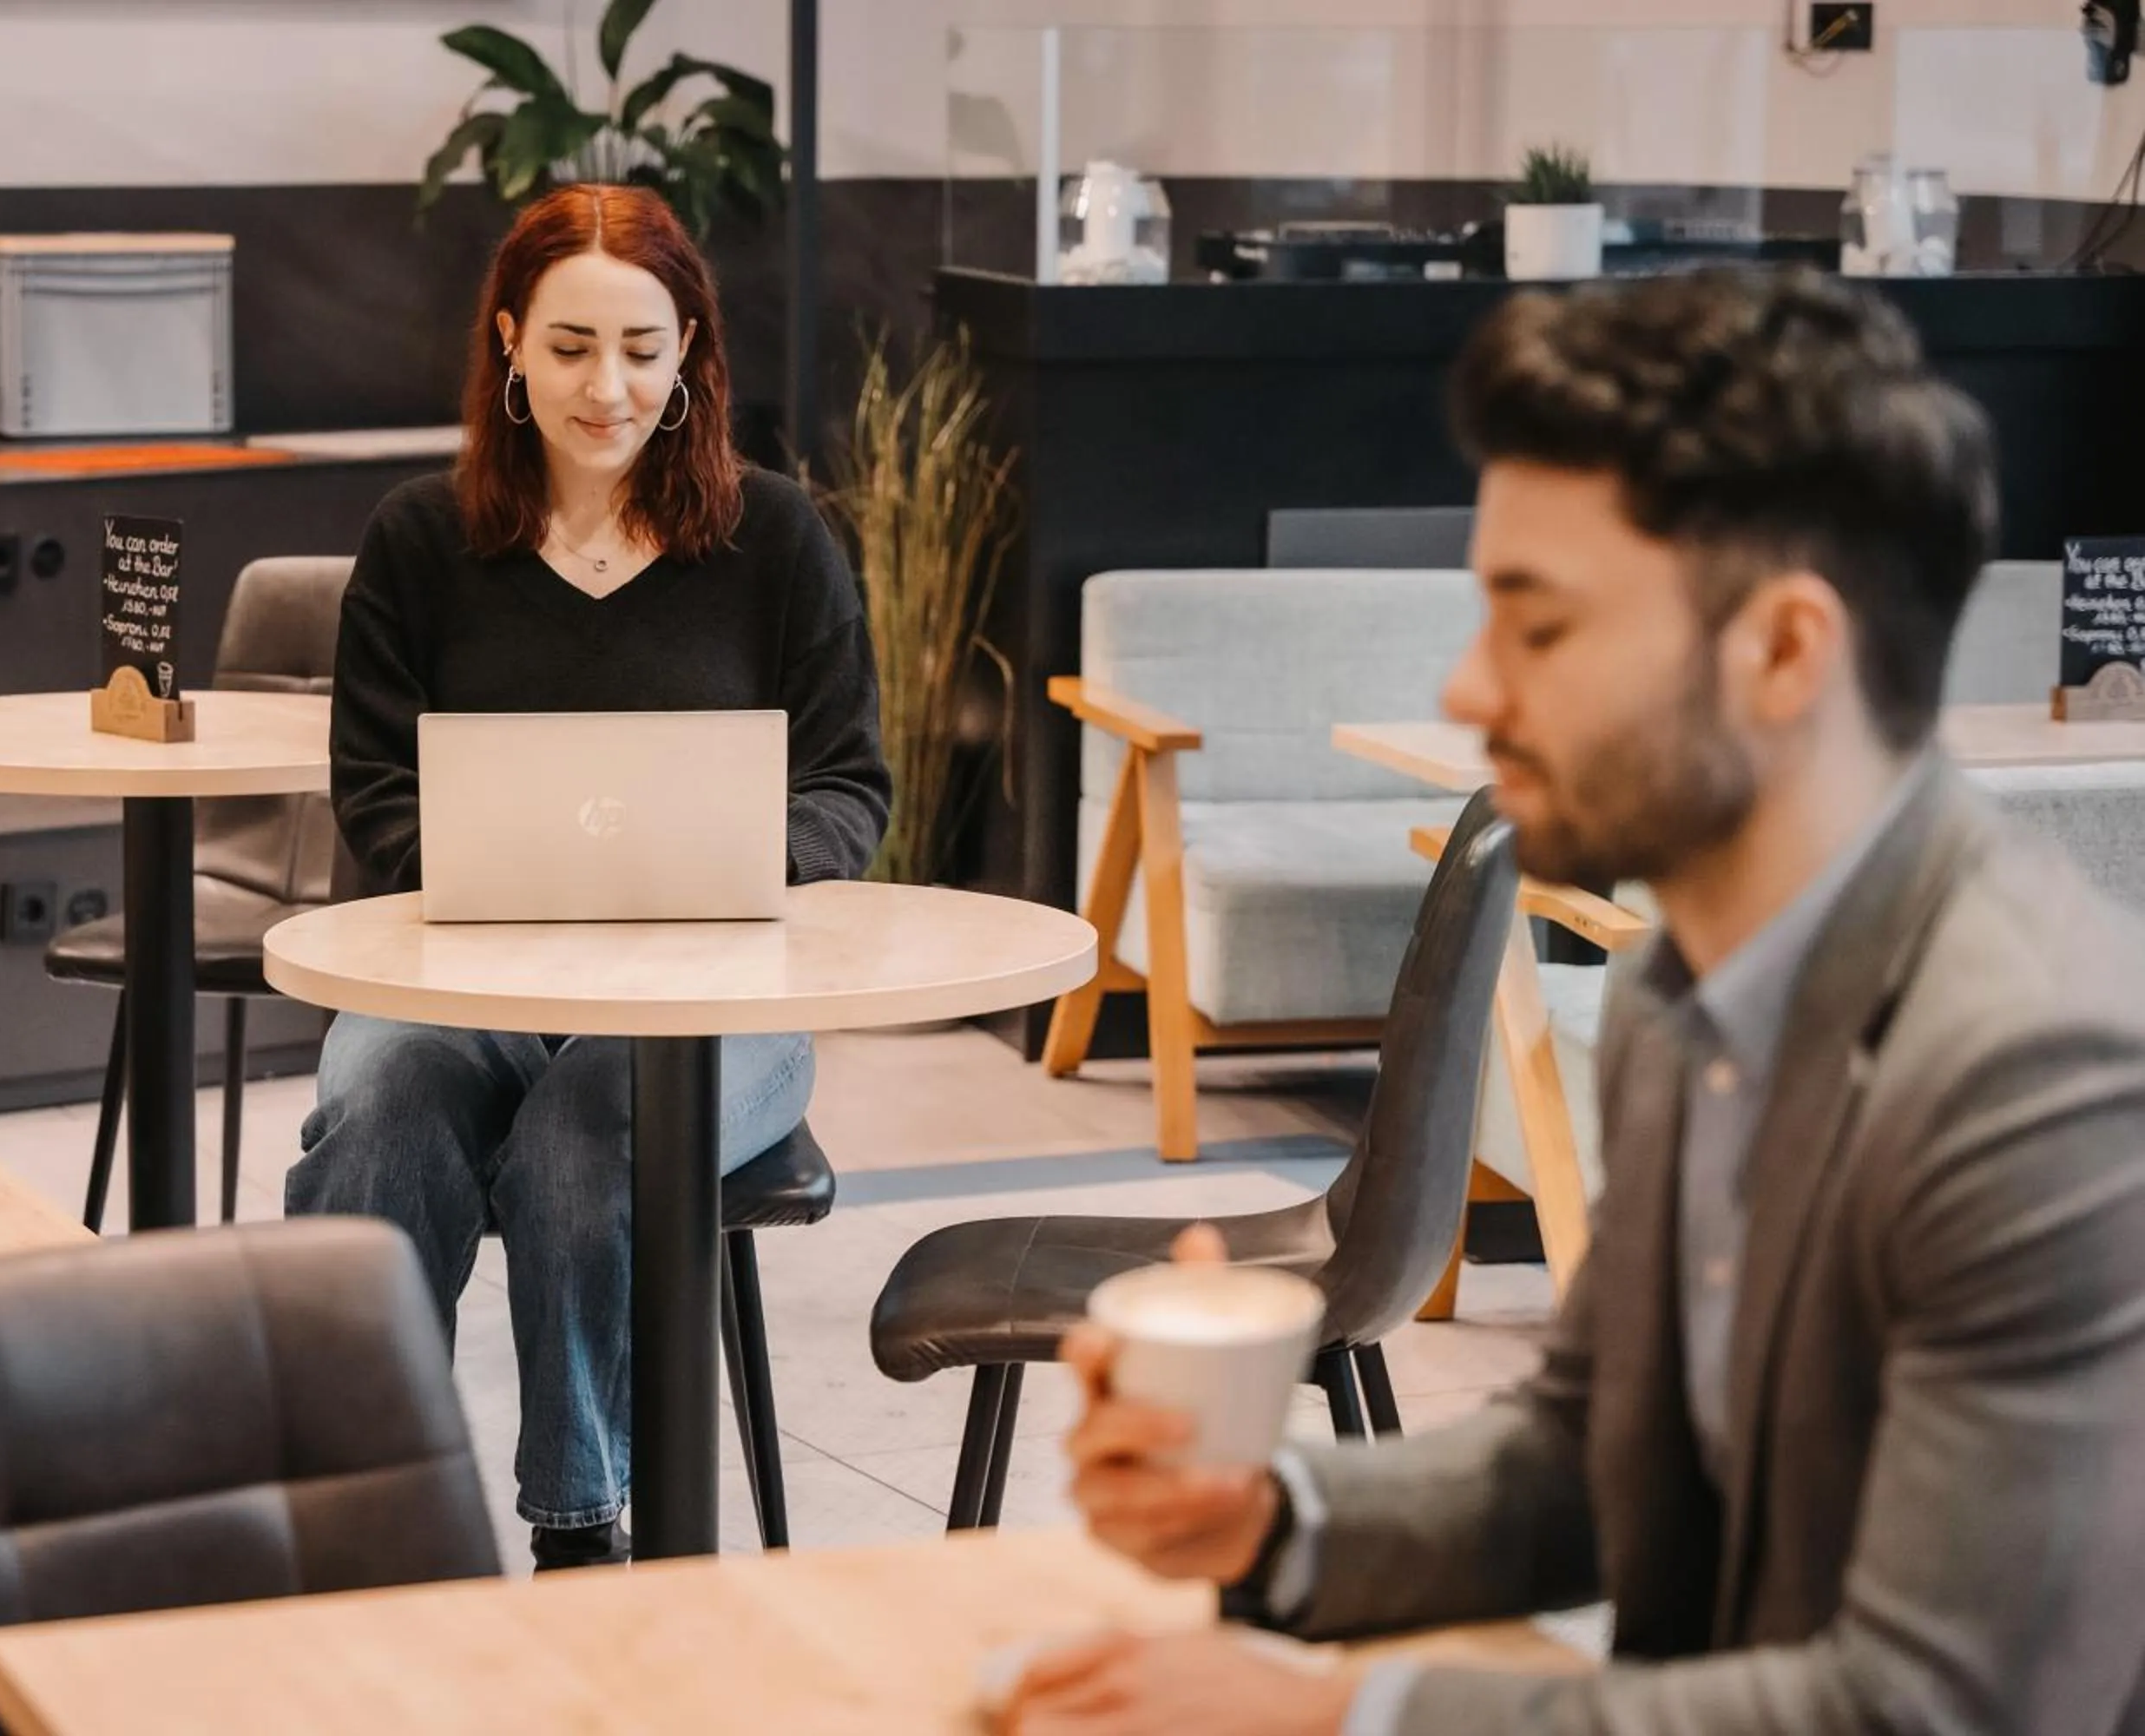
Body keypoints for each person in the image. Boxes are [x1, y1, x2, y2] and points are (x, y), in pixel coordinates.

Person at [1007, 267, 2145, 1733]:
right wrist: (1272, 1516)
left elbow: (1925, 1712)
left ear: (1786, 651)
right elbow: (1588, 1462)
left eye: (1538, 627)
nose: (1472, 689)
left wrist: (1331, 1718)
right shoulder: (1689, 991)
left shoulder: (2041, 1082)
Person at [287, 184, 889, 1572]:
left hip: (711, 1006)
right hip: (467, 983)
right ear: (507, 342)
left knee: (580, 1140)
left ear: (690, 354)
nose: (603, 386)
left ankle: (579, 1530)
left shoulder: (778, 540)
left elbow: (850, 788)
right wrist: (509, 874)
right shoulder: (421, 542)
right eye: (566, 346)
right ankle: (366, 1510)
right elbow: (375, 795)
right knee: (380, 1106)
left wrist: (741, 859)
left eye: (638, 347)